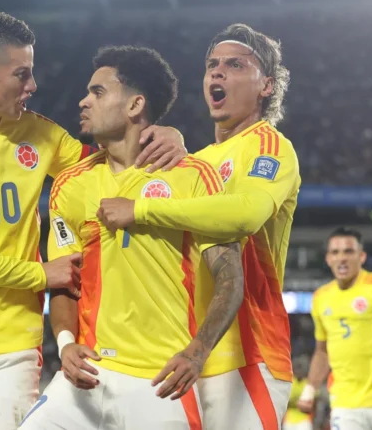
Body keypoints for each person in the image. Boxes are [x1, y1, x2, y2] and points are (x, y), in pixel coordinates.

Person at [0, 10, 185, 430]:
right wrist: (41, 274)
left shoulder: (40, 133)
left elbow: (114, 161)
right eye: (21, 74)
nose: (33, 85)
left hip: (13, 351)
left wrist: (166, 134)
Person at [19, 45, 244, 430]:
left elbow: (230, 275)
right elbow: (64, 280)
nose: (84, 101)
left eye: (98, 92)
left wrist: (197, 352)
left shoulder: (192, 176)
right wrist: (66, 342)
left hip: (160, 381)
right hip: (87, 373)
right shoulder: (70, 185)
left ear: (135, 104)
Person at [97, 23, 300, 429]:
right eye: (212, 65)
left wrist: (141, 210)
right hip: (182, 353)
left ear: (266, 86)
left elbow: (245, 214)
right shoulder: (197, 161)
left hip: (246, 354)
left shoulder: (268, 146)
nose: (218, 71)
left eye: (236, 65)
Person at [297, 227, 372, 430]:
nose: (342, 258)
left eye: (349, 251)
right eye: (335, 252)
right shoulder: (321, 298)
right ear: (328, 259)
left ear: (362, 256)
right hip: (344, 404)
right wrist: (309, 390)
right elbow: (322, 351)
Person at [283, 356, 314, 430]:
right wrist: (300, 403)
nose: (299, 371)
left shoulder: (308, 384)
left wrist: (294, 402)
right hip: (289, 419)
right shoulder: (289, 383)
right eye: (297, 369)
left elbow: (312, 404)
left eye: (301, 369)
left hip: (305, 420)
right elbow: (285, 402)